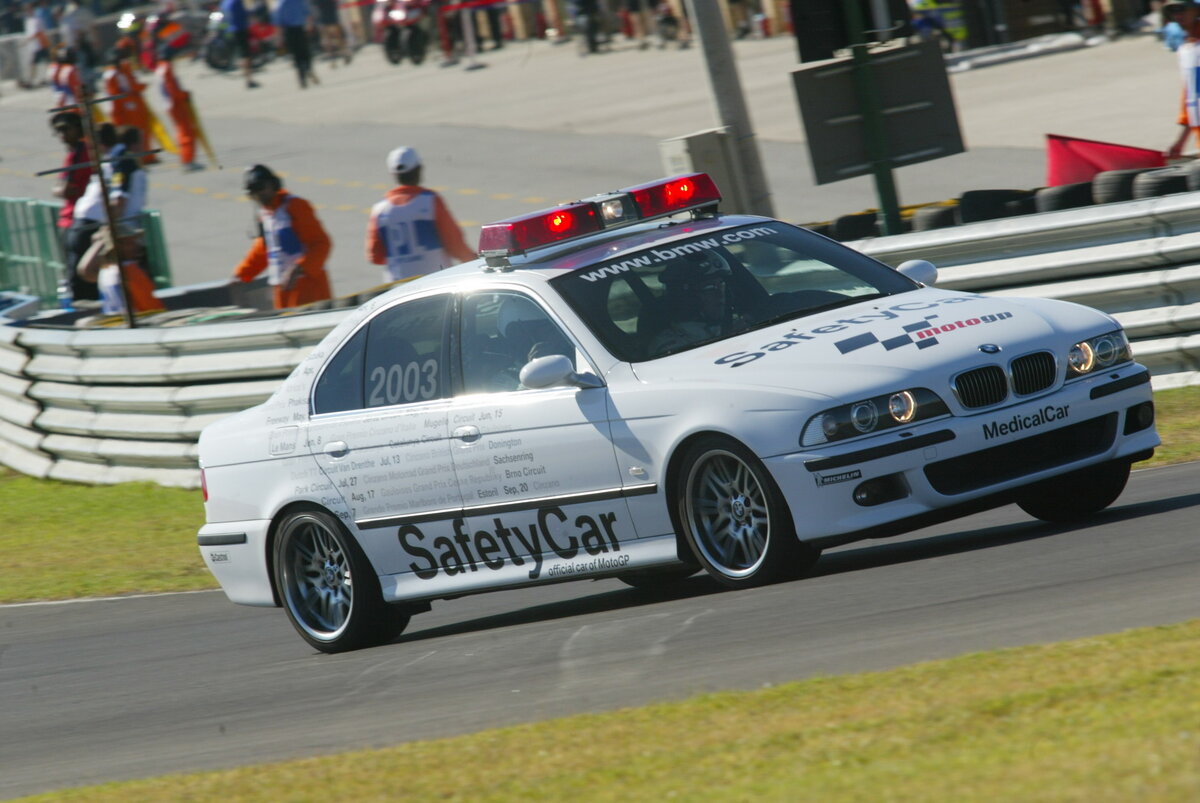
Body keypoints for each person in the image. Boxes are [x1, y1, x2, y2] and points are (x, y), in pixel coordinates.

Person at [365, 146, 475, 283]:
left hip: (398, 287)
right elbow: (455, 244)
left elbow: (374, 256)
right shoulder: (430, 201)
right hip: (435, 281)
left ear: (393, 175)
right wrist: (473, 261)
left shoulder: (379, 210)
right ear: (419, 169)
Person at [233, 165, 334, 309]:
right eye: (253, 192)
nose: (258, 195)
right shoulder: (264, 214)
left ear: (274, 185)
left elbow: (321, 244)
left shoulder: (296, 206)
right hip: (282, 289)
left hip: (308, 286)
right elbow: (264, 249)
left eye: (261, 188)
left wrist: (299, 268)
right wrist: (241, 274)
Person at [649, 251, 745, 354]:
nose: (720, 294)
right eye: (709, 288)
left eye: (721, 284)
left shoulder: (741, 325)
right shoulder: (669, 347)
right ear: (687, 298)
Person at [76, 223, 165, 317]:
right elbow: (149, 307)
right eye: (129, 242)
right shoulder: (126, 270)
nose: (136, 245)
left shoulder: (107, 270)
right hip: (144, 320)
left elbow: (86, 271)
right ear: (118, 246)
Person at [50, 111, 93, 300]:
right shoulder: (75, 154)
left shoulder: (81, 153)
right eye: (58, 131)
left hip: (78, 221)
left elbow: (65, 190)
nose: (62, 135)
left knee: (79, 279)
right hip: (73, 221)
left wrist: (61, 190)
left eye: (65, 129)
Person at [155, 47, 204, 172]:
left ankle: (186, 159)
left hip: (170, 104)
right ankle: (188, 160)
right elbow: (173, 90)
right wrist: (184, 95)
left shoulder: (160, 67)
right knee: (186, 132)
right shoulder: (167, 68)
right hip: (175, 104)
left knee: (182, 131)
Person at [1167, 1, 1200, 158]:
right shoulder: (1186, 50)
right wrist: (1181, 141)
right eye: (1173, 11)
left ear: (1196, 10)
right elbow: (1190, 97)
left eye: (1182, 9)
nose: (1178, 15)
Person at [273, 0, 318, 88]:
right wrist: (310, 25)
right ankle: (308, 68)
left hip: (289, 31)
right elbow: (307, 13)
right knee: (305, 51)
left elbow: (277, 21)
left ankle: (301, 78)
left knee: (296, 54)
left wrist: (279, 36)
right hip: (300, 29)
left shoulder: (280, 3)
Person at [219, 0, 260, 89]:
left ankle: (246, 76)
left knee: (241, 55)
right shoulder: (236, 1)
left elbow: (224, 17)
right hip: (240, 29)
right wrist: (252, 13)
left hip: (230, 31)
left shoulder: (224, 2)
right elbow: (244, 13)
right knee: (245, 55)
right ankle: (249, 80)